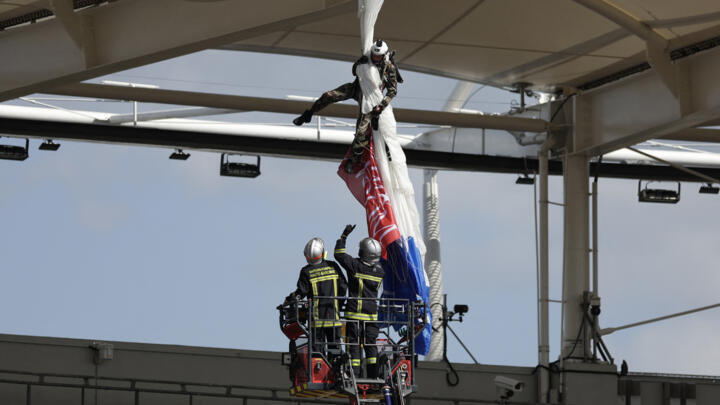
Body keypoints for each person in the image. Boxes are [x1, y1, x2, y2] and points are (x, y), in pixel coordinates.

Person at [293, 40, 401, 173]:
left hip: (370, 99)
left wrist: (382, 106)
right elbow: (354, 72)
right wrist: (359, 63)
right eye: (374, 55)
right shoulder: (367, 58)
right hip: (356, 88)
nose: (375, 58)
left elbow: (392, 91)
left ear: (384, 55)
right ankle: (308, 114)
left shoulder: (389, 68)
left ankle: (353, 159)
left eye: (378, 56)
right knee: (328, 95)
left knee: (361, 130)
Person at [334, 225, 385, 378]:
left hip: (355, 314)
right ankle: (373, 375)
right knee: (371, 346)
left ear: (363, 252)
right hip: (371, 316)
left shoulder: (355, 266)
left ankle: (354, 375)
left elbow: (339, 254)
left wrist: (343, 237)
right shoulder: (381, 272)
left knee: (354, 346)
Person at [286, 237, 348, 356]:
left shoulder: (306, 271)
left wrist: (289, 299)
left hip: (316, 322)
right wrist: (338, 305)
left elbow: (300, 292)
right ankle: (337, 371)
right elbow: (343, 287)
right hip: (334, 318)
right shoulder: (333, 266)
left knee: (317, 355)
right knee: (335, 352)